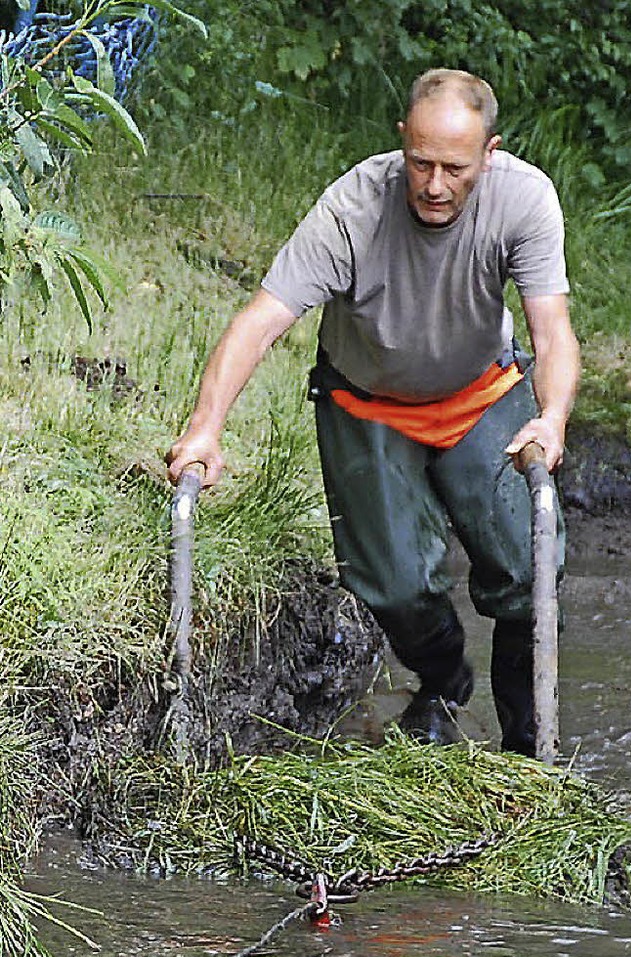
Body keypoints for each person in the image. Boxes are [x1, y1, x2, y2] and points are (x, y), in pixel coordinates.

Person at [166, 68, 581, 758]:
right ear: (402, 146)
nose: (436, 185)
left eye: (454, 167)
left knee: (530, 567)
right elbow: (261, 320)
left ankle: (525, 755)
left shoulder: (523, 198)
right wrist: (206, 426)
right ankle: (445, 681)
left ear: (490, 152)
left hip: (479, 392)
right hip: (369, 401)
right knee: (391, 580)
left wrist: (554, 416)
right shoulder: (354, 206)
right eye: (421, 163)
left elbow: (554, 330)